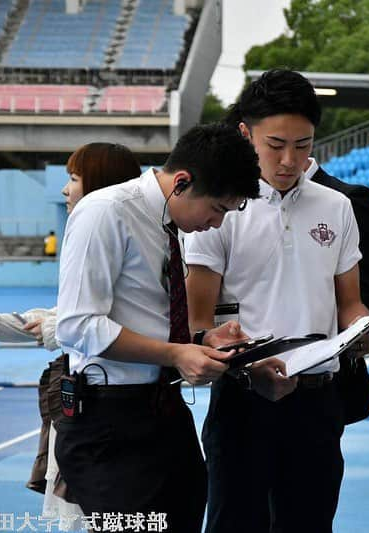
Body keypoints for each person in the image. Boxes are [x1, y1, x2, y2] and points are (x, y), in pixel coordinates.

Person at [184, 69, 369, 533]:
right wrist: (245, 366)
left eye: (304, 145)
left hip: (317, 401)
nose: (290, 160)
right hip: (243, 402)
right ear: (245, 134)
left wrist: (361, 328)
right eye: (275, 145)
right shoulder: (222, 207)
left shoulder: (337, 207)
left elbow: (349, 302)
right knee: (235, 523)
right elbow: (197, 320)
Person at [53, 123, 261, 532]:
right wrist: (176, 354)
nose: (217, 224)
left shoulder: (166, 221)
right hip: (109, 419)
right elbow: (77, 325)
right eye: (217, 208)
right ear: (182, 182)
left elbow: (147, 317)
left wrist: (200, 340)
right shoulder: (106, 212)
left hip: (161, 412)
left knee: (188, 509)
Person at [0, 142, 143, 530]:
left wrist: (55, 327)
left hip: (112, 412)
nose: (65, 190)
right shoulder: (94, 236)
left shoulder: (134, 245)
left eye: (74, 179)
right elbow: (63, 320)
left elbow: (86, 324)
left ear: (101, 185)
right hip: (86, 408)